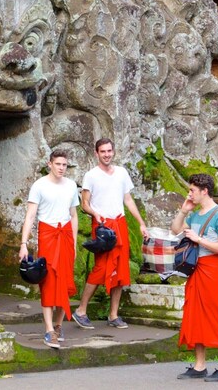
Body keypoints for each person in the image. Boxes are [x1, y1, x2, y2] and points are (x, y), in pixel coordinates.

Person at [71, 138, 149, 330]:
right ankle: (81, 310)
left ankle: (113, 314)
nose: (106, 154)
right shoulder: (91, 175)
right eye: (102, 151)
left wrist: (141, 223)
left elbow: (128, 200)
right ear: (96, 154)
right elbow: (84, 204)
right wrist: (96, 214)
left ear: (113, 152)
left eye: (109, 151)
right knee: (101, 268)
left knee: (121, 270)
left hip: (120, 223)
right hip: (103, 226)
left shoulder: (121, 173)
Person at [171, 173, 218, 382]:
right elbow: (175, 230)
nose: (189, 194)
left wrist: (200, 240)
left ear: (204, 191)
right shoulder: (195, 214)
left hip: (213, 269)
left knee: (216, 314)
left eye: (192, 191)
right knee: (195, 314)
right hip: (196, 269)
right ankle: (200, 365)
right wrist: (183, 211)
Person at [19, 150, 79, 349]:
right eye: (58, 164)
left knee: (66, 282)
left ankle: (59, 325)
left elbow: (74, 216)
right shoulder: (39, 185)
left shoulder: (71, 185)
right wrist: (23, 244)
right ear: (50, 164)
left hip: (66, 235)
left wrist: (75, 242)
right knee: (49, 282)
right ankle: (48, 330)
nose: (62, 168)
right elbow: (30, 216)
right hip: (48, 234)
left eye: (64, 165)